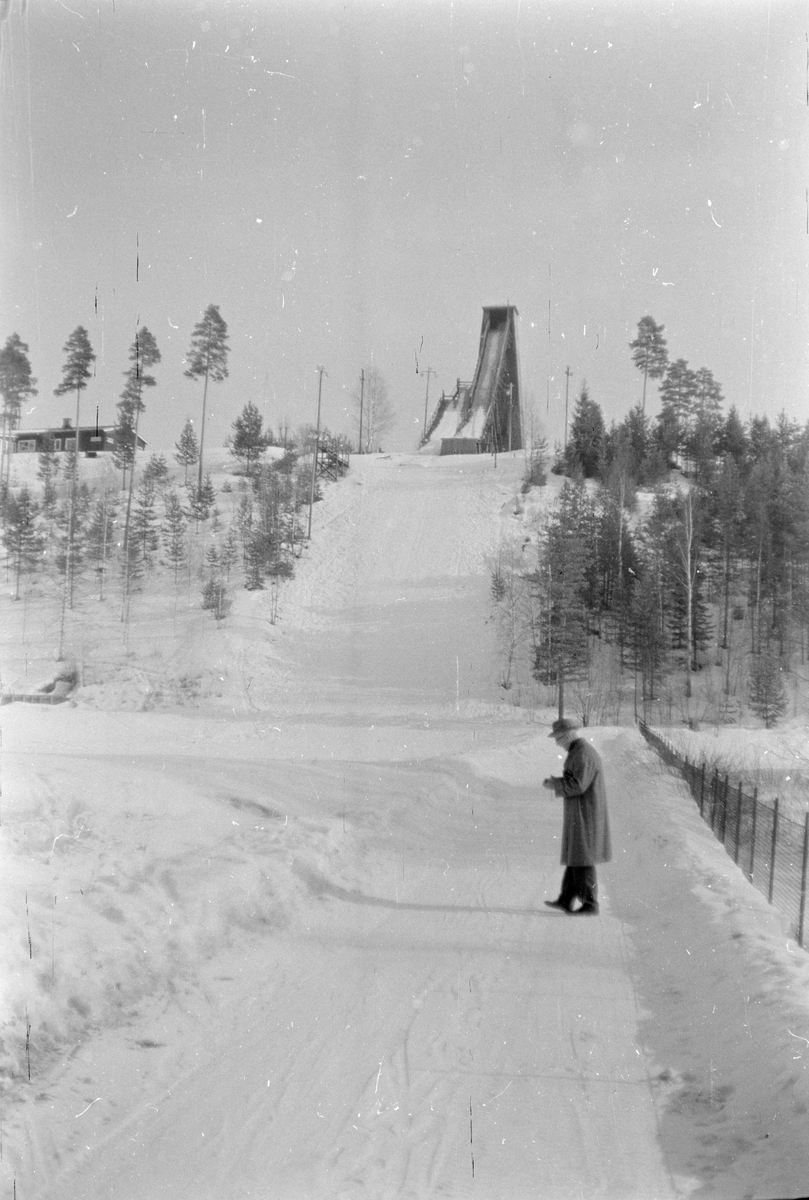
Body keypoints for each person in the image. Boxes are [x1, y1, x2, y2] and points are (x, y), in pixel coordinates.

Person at [542, 717, 611, 915]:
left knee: (583, 858)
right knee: (576, 856)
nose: (557, 743)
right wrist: (557, 782)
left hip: (586, 813)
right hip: (582, 812)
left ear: (568, 736)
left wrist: (556, 785)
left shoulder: (582, 754)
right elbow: (576, 780)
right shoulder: (579, 752)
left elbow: (578, 785)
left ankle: (590, 904)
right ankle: (566, 899)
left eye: (558, 738)